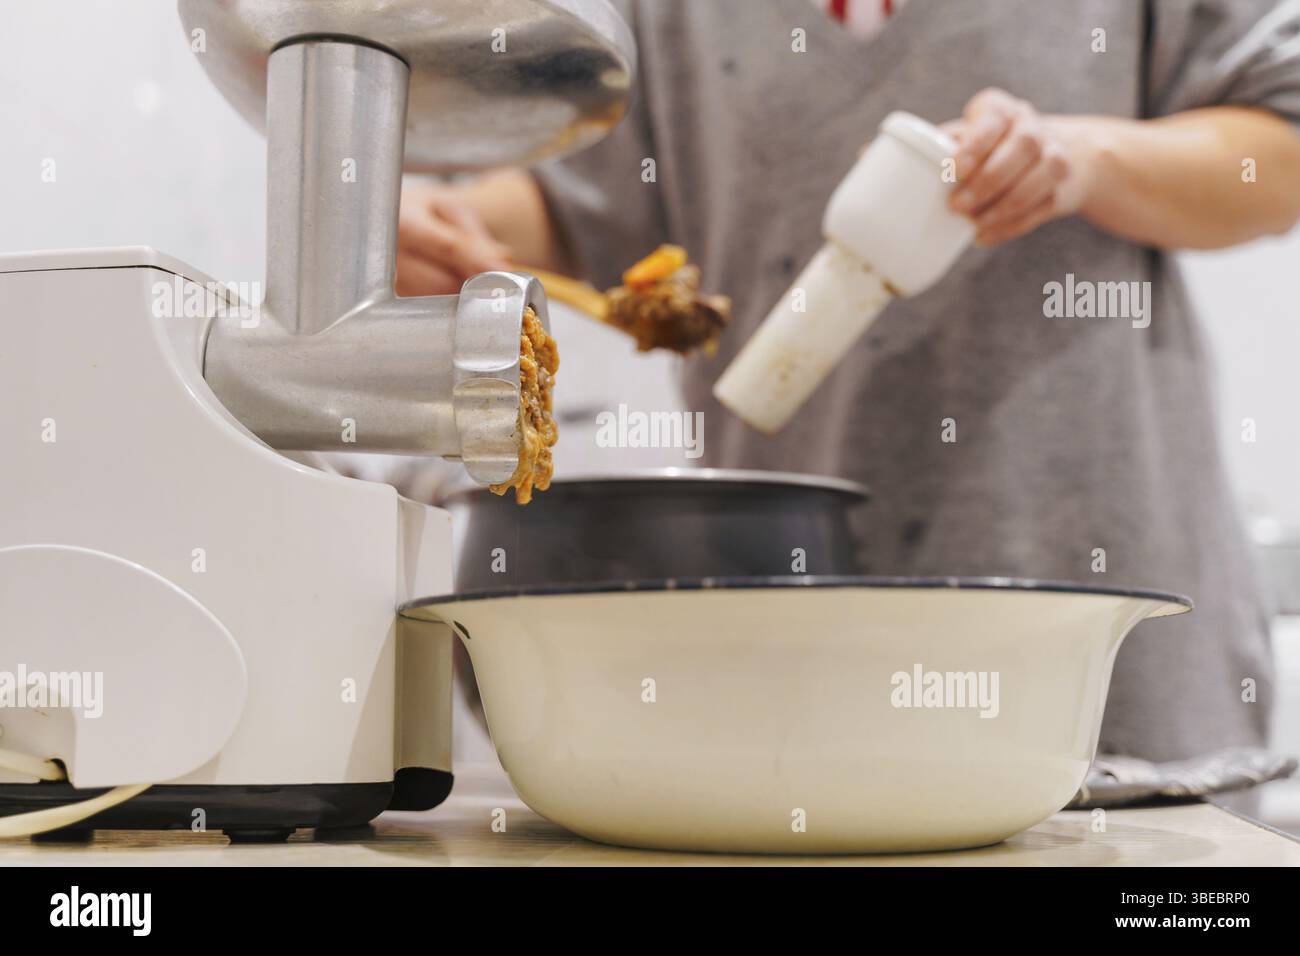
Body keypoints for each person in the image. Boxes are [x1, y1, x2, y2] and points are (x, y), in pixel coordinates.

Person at [395, 0, 1300, 762]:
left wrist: (1082, 160)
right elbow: (582, 207)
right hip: (789, 613)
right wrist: (451, 224)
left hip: (1103, 601)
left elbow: (1280, 142)